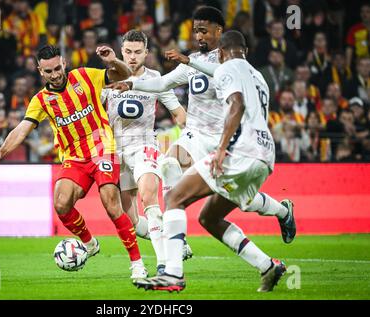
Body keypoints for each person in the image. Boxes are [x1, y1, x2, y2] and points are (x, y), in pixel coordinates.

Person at [110, 6, 295, 245]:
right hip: (195, 136)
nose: (198, 36)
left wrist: (189, 61)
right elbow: (163, 83)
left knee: (242, 200)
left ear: (218, 30)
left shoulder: (233, 61)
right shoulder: (193, 62)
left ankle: (283, 211)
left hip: (225, 140)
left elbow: (221, 73)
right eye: (195, 31)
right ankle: (175, 234)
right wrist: (132, 85)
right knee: (168, 164)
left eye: (203, 31)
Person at [134, 31, 291, 292]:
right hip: (265, 157)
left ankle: (172, 272)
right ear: (246, 51)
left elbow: (237, 105)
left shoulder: (227, 68)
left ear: (221, 50)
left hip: (237, 151)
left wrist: (221, 149)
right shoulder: (258, 76)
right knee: (209, 217)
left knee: (175, 199)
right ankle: (268, 265)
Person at [0, 45, 148, 280]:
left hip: (103, 150)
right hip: (74, 158)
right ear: (40, 71)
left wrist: (113, 61)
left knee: (111, 202)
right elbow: (22, 129)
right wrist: (0, 153)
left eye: (58, 68)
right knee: (61, 204)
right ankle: (90, 243)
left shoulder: (85, 76)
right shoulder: (41, 100)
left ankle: (137, 264)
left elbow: (125, 75)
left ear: (64, 63)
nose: (55, 75)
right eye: (49, 71)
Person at [102, 30, 186, 276]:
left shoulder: (156, 79)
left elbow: (178, 113)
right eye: (127, 51)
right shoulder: (106, 79)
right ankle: (173, 238)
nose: (132, 57)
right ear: (121, 52)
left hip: (144, 145)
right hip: (114, 150)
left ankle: (164, 266)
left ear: (146, 53)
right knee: (133, 222)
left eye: (138, 52)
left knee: (149, 196)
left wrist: (193, 136)